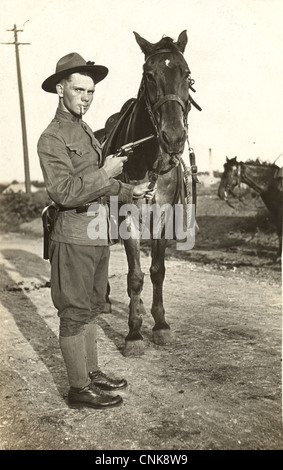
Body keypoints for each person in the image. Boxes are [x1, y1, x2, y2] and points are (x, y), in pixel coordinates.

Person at [37, 52, 154, 409]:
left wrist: (127, 190)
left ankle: (91, 374)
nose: (85, 97)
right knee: (73, 312)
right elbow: (64, 191)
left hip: (97, 232)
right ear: (60, 89)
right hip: (73, 236)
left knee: (90, 307)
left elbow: (99, 185)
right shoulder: (52, 137)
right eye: (78, 89)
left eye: (90, 91)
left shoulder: (85, 130)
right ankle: (78, 389)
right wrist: (107, 172)